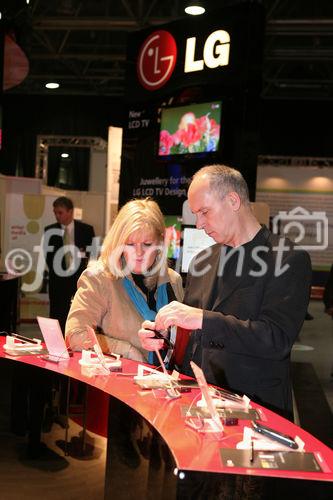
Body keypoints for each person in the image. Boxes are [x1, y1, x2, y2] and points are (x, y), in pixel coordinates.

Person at [139, 164, 312, 421]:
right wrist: (164, 338)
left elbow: (276, 340)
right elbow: (194, 339)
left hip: (257, 412)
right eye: (196, 214)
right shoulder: (202, 262)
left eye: (204, 212)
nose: (199, 224)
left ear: (233, 200)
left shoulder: (286, 258)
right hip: (199, 407)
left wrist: (201, 319)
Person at [65, 198, 184, 362]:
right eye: (130, 244)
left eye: (147, 244)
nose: (139, 253)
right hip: (119, 382)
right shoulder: (99, 278)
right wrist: (126, 351)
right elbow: (75, 336)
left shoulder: (173, 280)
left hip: (167, 382)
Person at [44, 196, 95, 333]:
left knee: (79, 315)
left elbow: (93, 254)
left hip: (80, 280)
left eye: (60, 212)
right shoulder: (49, 231)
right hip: (58, 281)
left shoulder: (87, 230)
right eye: (55, 212)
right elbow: (48, 258)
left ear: (70, 212)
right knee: (57, 314)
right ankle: (56, 344)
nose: (57, 216)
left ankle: (77, 340)